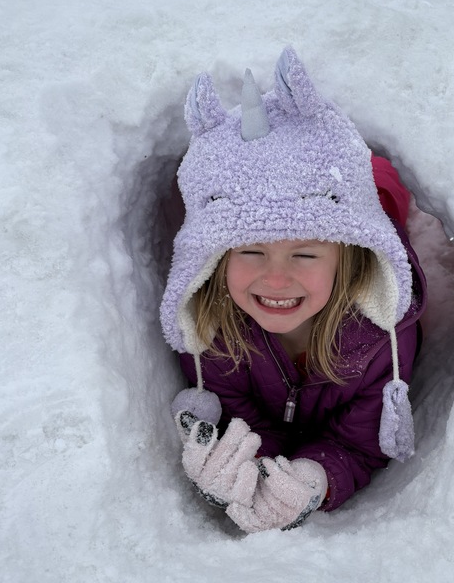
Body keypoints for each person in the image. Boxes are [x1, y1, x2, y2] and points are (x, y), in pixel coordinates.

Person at [160, 48, 426, 534]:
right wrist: (257, 467)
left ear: (347, 256)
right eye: (250, 252)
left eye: (304, 255)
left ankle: (373, 185)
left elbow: (362, 443)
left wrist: (316, 478)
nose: (276, 279)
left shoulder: (379, 335)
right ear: (214, 263)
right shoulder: (213, 330)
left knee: (381, 184)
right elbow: (241, 418)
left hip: (366, 199)